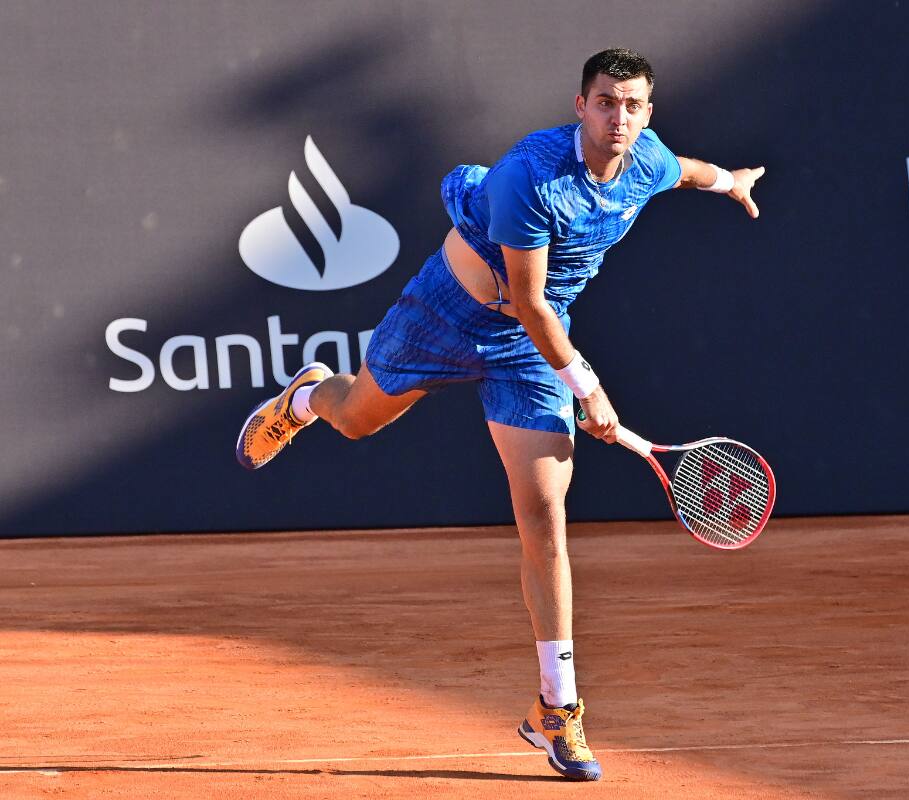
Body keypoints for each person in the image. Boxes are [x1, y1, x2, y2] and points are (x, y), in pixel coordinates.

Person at [235, 47, 764, 782]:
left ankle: (558, 709)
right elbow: (530, 300)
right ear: (580, 104)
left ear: (648, 112)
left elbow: (690, 172)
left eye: (634, 105)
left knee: (544, 516)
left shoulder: (647, 160)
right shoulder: (530, 176)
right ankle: (303, 398)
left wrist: (730, 182)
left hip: (528, 354)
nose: (619, 117)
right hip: (451, 313)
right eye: (606, 102)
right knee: (355, 417)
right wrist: (587, 388)